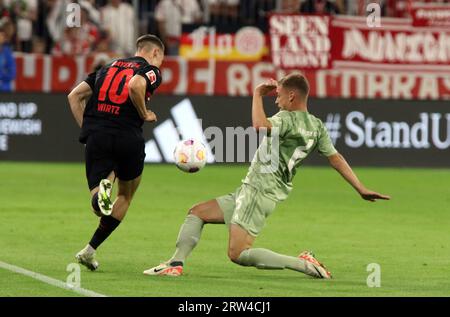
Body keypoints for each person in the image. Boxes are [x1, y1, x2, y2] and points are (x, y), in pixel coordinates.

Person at [144, 73, 390, 278]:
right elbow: (335, 158)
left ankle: (305, 264)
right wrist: (360, 187)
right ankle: (175, 264)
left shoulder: (286, 119)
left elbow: (260, 126)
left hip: (258, 190)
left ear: (291, 96)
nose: (276, 101)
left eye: (279, 95)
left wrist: (257, 94)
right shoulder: (316, 125)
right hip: (256, 190)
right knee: (197, 212)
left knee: (238, 253)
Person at [68, 34, 165, 271]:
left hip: (98, 137)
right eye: (160, 58)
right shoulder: (150, 70)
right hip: (128, 137)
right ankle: (90, 249)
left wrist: (89, 130)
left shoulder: (107, 67)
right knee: (126, 196)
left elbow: (74, 96)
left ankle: (101, 192)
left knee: (97, 202)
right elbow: (135, 85)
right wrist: (144, 113)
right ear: (154, 53)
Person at [0, 26, 15, 92]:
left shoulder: (7, 53)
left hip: (4, 90)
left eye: (2, 35)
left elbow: (12, 73)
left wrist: (1, 74)